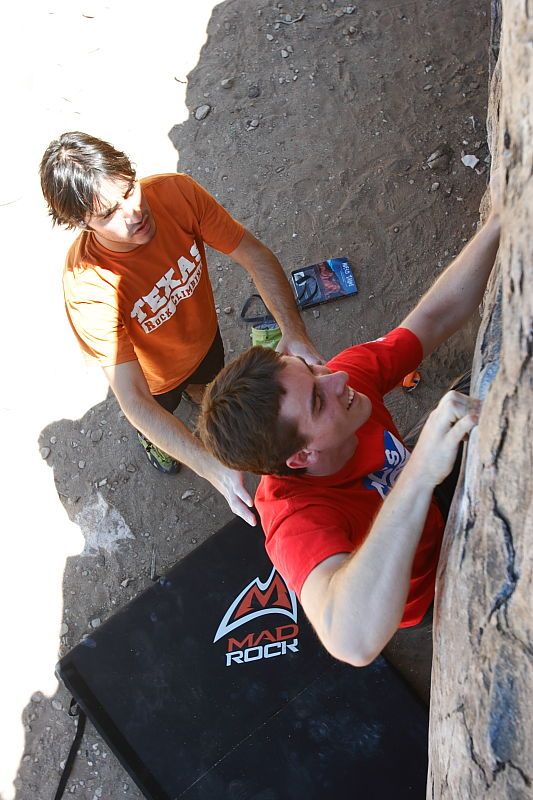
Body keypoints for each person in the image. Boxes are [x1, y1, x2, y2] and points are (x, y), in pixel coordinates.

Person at [199, 175, 501, 666]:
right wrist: (422, 472)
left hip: (434, 500)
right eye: (317, 400)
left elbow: (433, 320)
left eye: (312, 369)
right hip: (432, 588)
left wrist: (498, 224)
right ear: (301, 456)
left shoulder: (339, 381)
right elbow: (353, 640)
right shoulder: (294, 519)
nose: (335, 380)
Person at [40, 131, 322, 525]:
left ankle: (198, 392)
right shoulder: (87, 286)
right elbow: (134, 397)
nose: (133, 212)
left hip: (205, 339)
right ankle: (156, 442)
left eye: (128, 190)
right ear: (82, 223)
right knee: (157, 417)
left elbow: (254, 256)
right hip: (155, 383)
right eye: (108, 215)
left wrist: (294, 332)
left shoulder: (177, 194)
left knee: (208, 384)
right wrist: (211, 466)